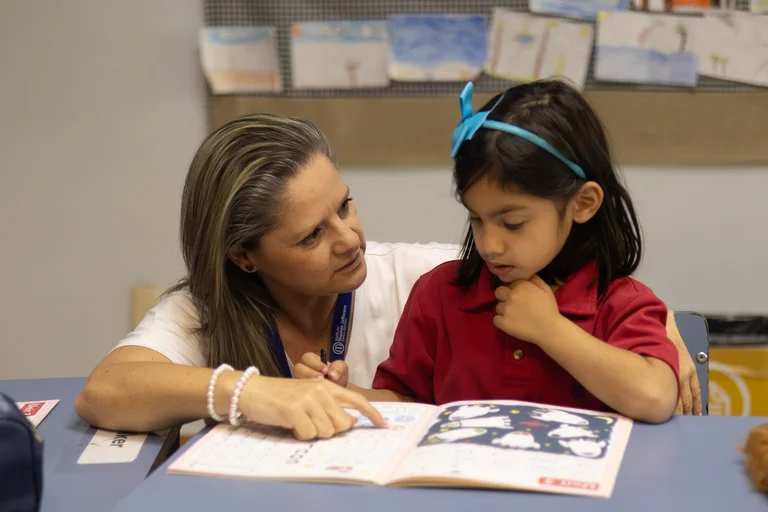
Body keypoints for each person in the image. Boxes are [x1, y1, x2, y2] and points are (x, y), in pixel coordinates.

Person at [76, 109, 700, 442]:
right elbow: (103, 393)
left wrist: (664, 329)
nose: (351, 239)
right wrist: (258, 392)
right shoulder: (203, 309)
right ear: (245, 256)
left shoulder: (423, 275)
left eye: (345, 204)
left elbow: (571, 287)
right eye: (311, 235)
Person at [297, 80, 688, 424]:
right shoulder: (439, 294)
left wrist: (551, 331)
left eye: (513, 223)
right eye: (476, 220)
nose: (489, 244)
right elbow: (405, 403)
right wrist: (346, 397)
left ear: (583, 203)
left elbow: (654, 398)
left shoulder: (619, 303)